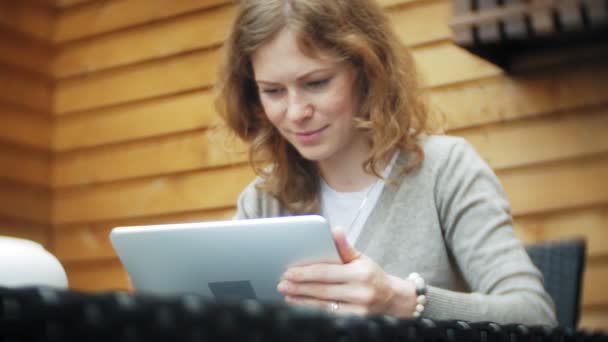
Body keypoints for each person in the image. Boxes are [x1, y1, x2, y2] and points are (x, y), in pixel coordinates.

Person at [215, 0, 556, 326]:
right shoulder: (264, 199)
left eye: (317, 83)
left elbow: (534, 315)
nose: (295, 112)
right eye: (273, 91)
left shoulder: (445, 170)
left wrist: (405, 302)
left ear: (367, 70)